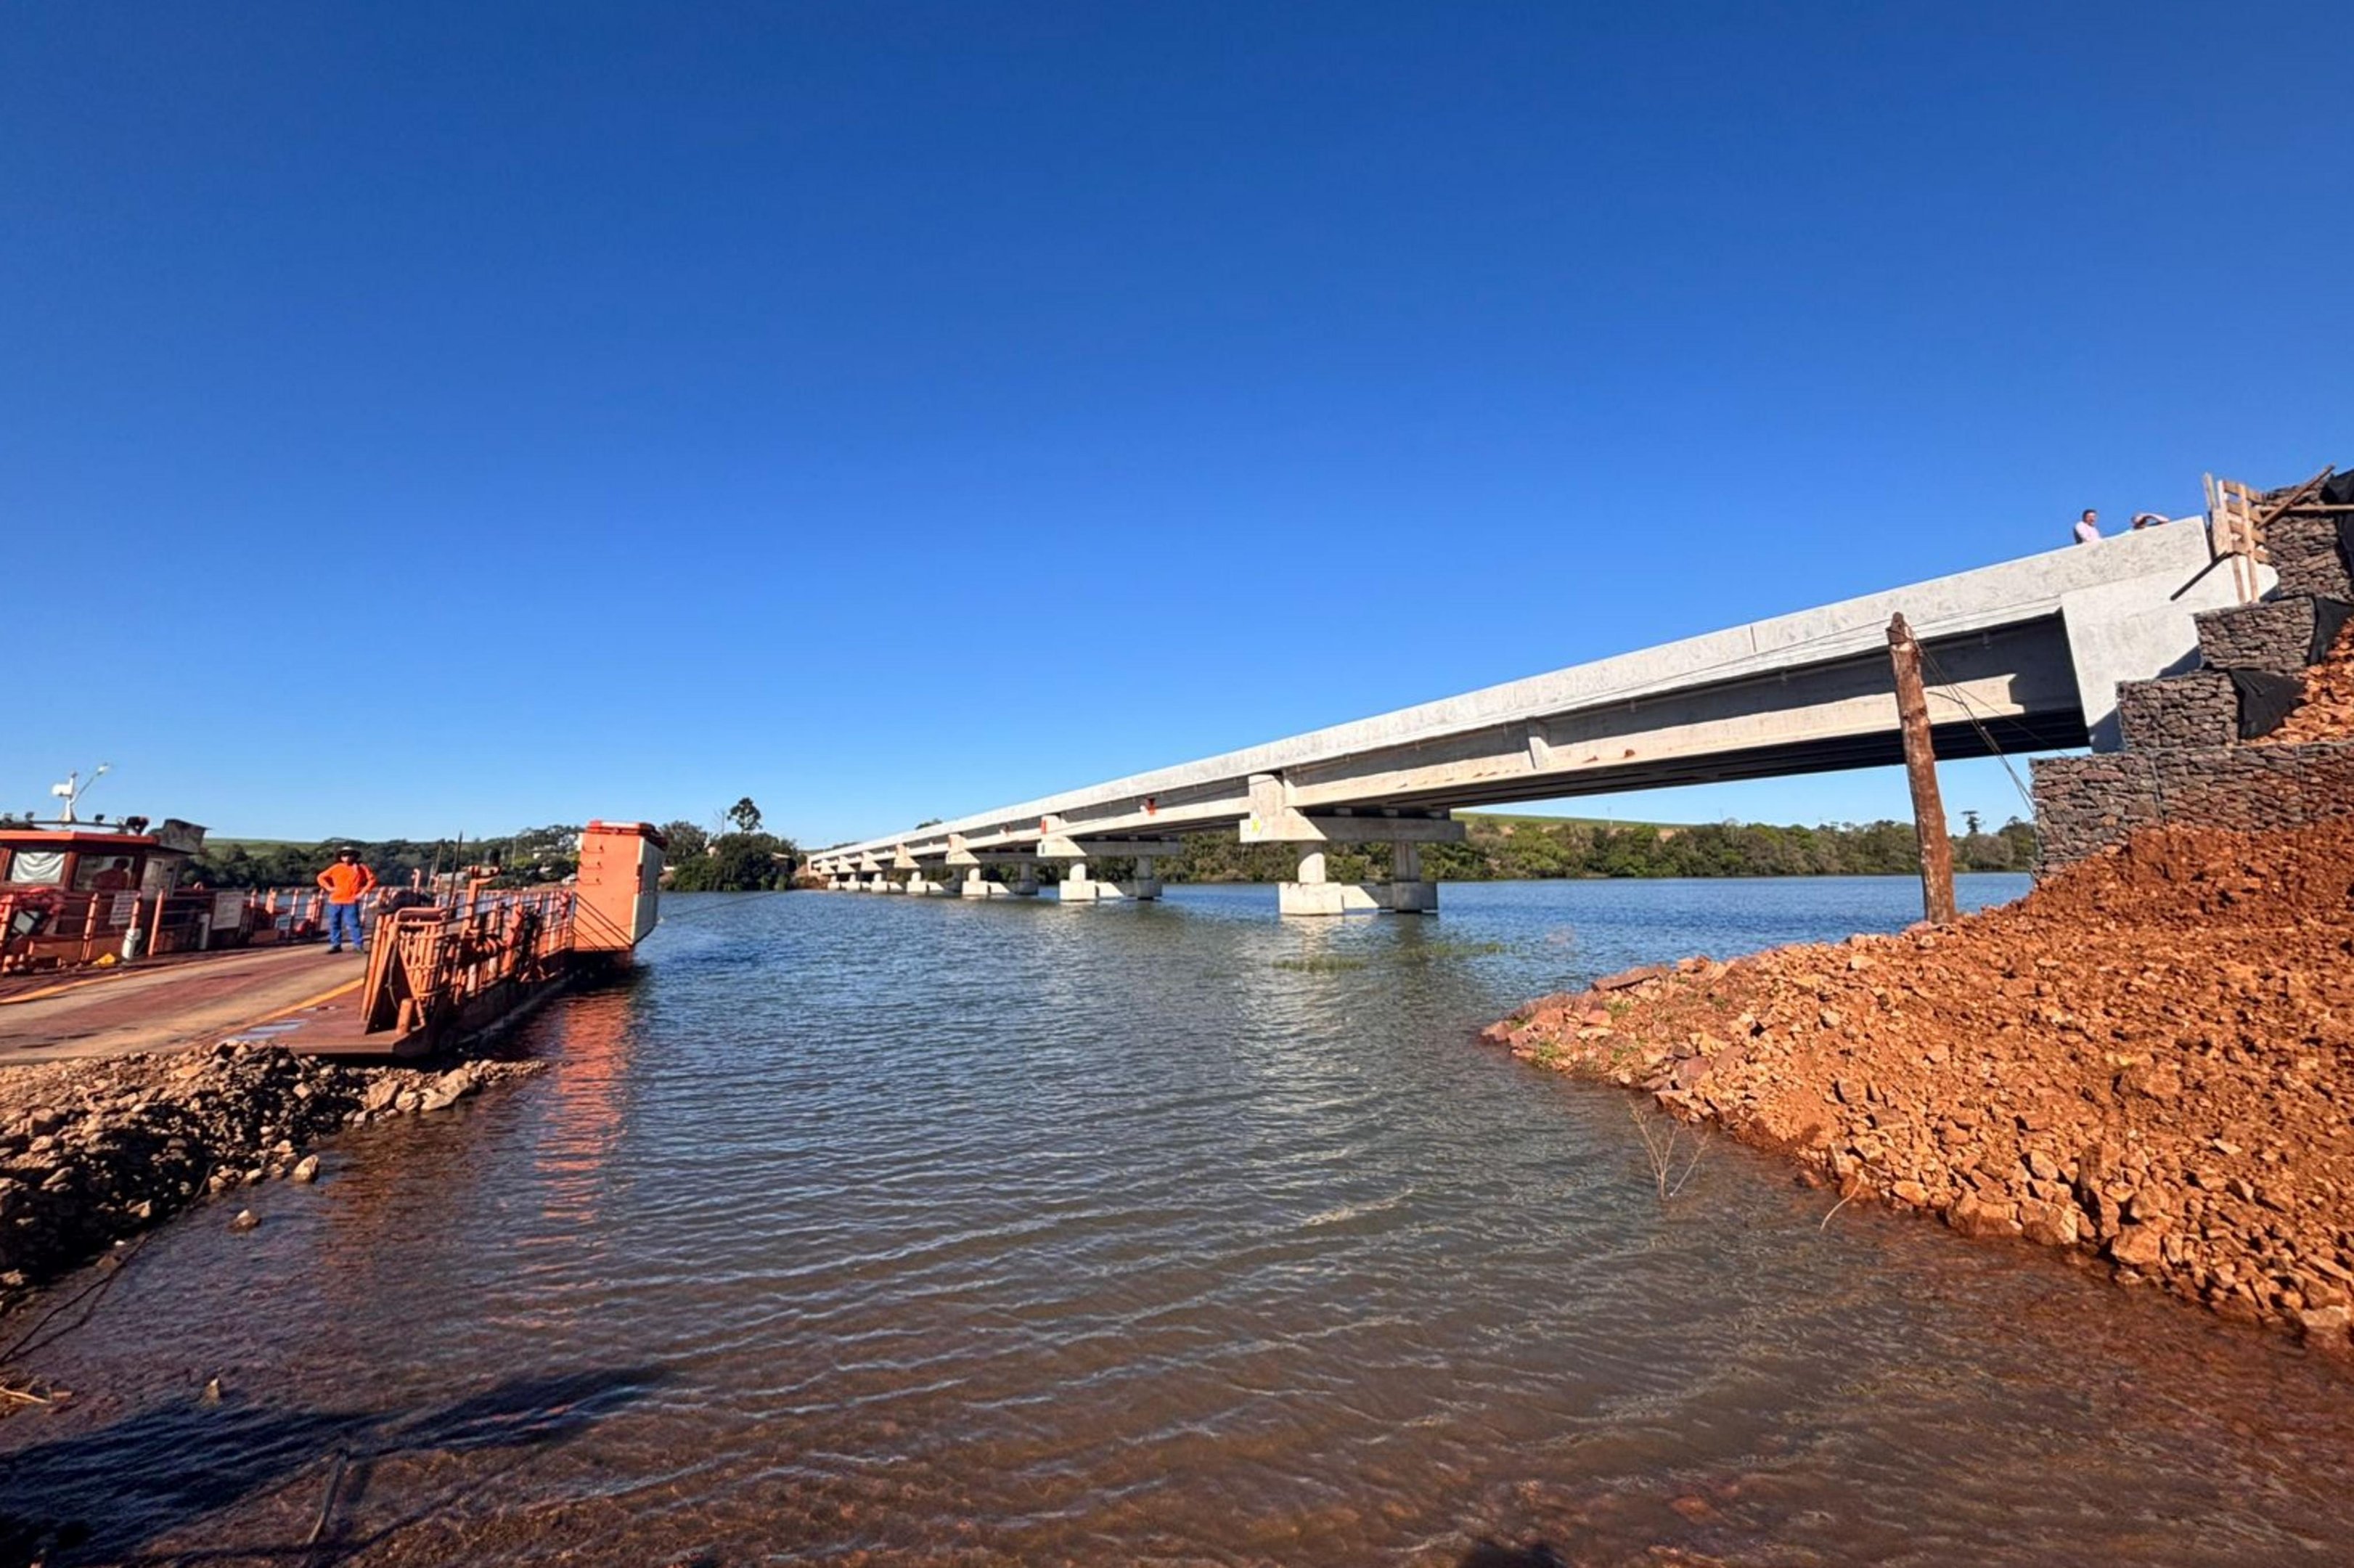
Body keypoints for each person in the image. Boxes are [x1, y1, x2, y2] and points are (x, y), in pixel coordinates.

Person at [316, 846, 377, 954]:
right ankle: (336, 945)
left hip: (351, 900)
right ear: (340, 857)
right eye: (344, 855)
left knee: (353, 923)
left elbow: (372, 880)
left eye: (349, 855)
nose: (347, 857)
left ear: (354, 856)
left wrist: (362, 892)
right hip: (335, 900)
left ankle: (358, 946)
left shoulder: (360, 867)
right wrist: (329, 888)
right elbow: (321, 877)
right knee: (334, 923)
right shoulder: (336, 868)